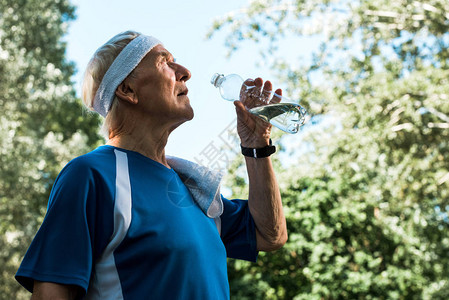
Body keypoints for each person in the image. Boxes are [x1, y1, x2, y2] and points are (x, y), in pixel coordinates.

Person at [15, 30, 287, 300]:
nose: (184, 71)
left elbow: (269, 235)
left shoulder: (192, 187)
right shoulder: (91, 176)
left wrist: (257, 145)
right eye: (164, 62)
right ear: (127, 90)